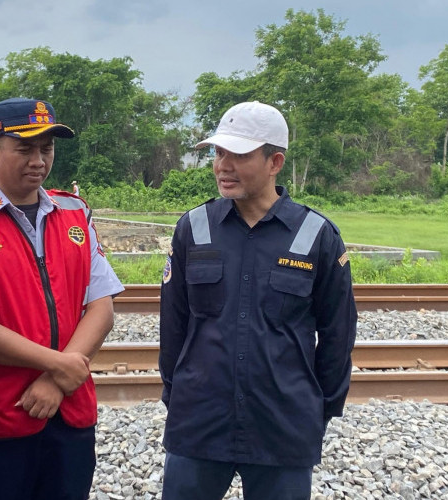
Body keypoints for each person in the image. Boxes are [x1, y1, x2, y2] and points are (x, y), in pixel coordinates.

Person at [159, 101, 357, 500]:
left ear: (274, 162)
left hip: (282, 428)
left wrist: (316, 411)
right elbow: (173, 326)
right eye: (218, 153)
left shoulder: (316, 235)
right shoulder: (193, 229)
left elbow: (338, 335)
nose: (223, 166)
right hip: (198, 425)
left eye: (240, 155)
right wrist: (178, 395)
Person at [0, 97, 124, 500]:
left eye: (47, 148)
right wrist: (59, 365)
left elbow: (102, 306)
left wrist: (57, 381)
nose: (38, 160)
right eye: (25, 148)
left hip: (71, 413)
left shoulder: (75, 211)